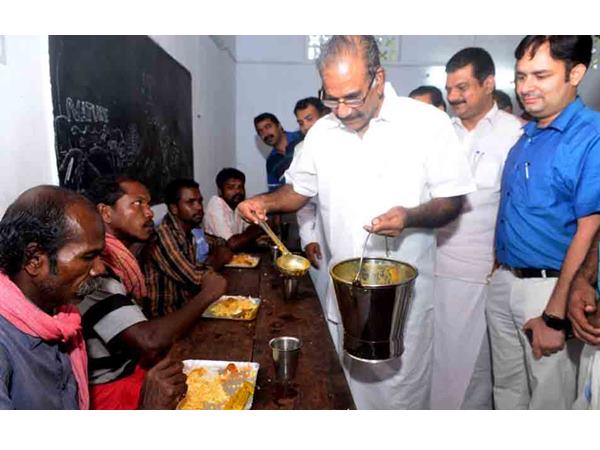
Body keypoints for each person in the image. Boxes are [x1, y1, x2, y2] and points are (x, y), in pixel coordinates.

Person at [238, 35, 475, 409]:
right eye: (332, 99)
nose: (343, 111)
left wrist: (410, 217)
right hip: (344, 300)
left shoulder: (426, 123)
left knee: (401, 403)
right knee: (344, 395)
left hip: (403, 307)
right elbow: (299, 191)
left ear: (378, 79)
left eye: (352, 97)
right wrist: (264, 202)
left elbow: (452, 201)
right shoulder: (322, 133)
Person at [0, 185, 185, 410]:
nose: (99, 269)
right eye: (88, 257)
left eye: (100, 256)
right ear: (34, 260)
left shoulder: (60, 317)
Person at [490, 35, 600, 409]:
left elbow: (590, 228)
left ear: (576, 74)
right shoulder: (527, 136)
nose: (526, 87)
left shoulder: (590, 136)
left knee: (550, 404)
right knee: (507, 394)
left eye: (541, 75)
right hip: (506, 282)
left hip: (552, 289)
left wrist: (554, 315)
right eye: (521, 76)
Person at [81, 175, 227, 409]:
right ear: (106, 213)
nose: (149, 213)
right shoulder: (95, 271)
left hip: (135, 368)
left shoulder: (125, 259)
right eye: (138, 203)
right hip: (112, 390)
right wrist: (208, 293)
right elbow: (149, 341)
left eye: (148, 204)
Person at [430, 47, 523, 410]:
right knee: (436, 364)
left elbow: (518, 205)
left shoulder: (514, 133)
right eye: (449, 89)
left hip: (482, 274)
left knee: (475, 371)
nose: (454, 97)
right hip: (434, 269)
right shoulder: (441, 133)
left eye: (462, 88)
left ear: (488, 84)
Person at [143, 178, 233, 318]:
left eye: (200, 201)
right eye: (191, 202)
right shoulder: (163, 236)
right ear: (174, 208)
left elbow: (220, 242)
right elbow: (195, 278)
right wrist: (218, 259)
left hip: (187, 309)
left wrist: (221, 249)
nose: (199, 207)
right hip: (167, 318)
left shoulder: (189, 229)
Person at [290, 97, 331, 314]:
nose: (305, 126)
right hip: (321, 235)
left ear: (325, 116)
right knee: (322, 300)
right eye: (300, 122)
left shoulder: (348, 143)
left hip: (358, 234)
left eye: (309, 119)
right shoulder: (301, 151)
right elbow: (303, 202)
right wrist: (308, 238)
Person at [204, 168, 263, 252]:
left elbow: (249, 229)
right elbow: (232, 244)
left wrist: (253, 230)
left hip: (237, 256)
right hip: (218, 258)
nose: (237, 191)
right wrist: (259, 228)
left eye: (240, 187)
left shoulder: (239, 205)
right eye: (231, 187)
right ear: (220, 191)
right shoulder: (215, 204)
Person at [254, 112, 303, 192]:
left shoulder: (301, 138)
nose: (266, 134)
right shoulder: (271, 162)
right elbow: (275, 192)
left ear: (279, 126)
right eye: (260, 131)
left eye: (268, 127)